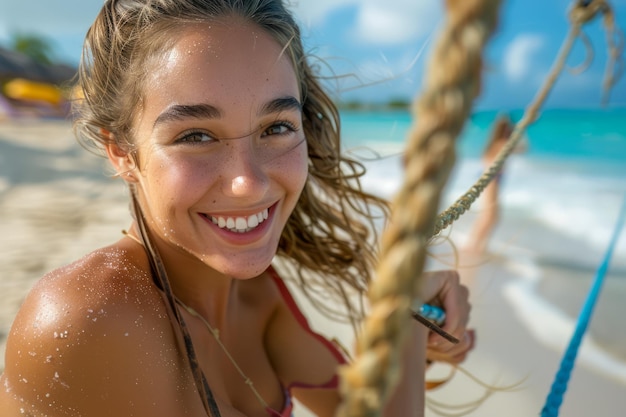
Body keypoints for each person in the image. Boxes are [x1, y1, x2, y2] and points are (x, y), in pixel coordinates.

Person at [0, 1, 474, 416]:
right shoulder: (89, 319)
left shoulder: (257, 297)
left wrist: (409, 320)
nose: (249, 183)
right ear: (122, 152)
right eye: (195, 136)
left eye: (276, 127)